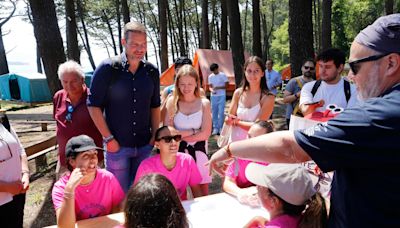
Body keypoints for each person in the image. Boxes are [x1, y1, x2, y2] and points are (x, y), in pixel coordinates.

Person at [208, 14, 400, 227]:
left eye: (355, 67)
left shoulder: (382, 113)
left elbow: (290, 148)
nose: (352, 77)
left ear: (391, 63)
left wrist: (229, 150)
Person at [88, 21, 160, 192]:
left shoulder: (151, 71)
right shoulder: (108, 69)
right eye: (134, 44)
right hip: (117, 146)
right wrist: (108, 139)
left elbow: (155, 105)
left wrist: (155, 134)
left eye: (143, 44)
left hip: (145, 145)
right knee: (118, 196)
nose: (140, 49)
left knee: (143, 195)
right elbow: (93, 106)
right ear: (123, 42)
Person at [52, 135, 124, 227]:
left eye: (95, 154)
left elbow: (119, 210)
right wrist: (69, 191)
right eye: (86, 155)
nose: (93, 159)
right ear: (72, 162)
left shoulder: (108, 178)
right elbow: (64, 226)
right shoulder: (61, 187)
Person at [164, 64, 212, 196]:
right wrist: (193, 131)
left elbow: (206, 133)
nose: (186, 88)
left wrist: (180, 135)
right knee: (180, 192)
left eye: (190, 84)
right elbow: (168, 132)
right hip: (178, 153)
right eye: (182, 84)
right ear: (177, 84)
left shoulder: (204, 104)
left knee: (202, 193)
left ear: (197, 83)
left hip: (200, 153)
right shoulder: (172, 102)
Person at [53, 60, 103, 179]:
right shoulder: (58, 97)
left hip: (90, 161)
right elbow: (58, 123)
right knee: (66, 194)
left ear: (82, 79)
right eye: (65, 82)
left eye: (74, 81)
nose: (69, 86)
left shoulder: (94, 98)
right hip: (66, 160)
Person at [244, 163, 327, 228]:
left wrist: (252, 222)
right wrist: (256, 219)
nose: (257, 187)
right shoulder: (304, 220)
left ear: (274, 201)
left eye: (261, 185)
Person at [134, 126, 202, 200]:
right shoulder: (146, 166)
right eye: (167, 139)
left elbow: (197, 191)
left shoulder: (188, 160)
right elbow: (139, 197)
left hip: (181, 207)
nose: (173, 142)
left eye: (177, 138)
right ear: (157, 145)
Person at [223, 120, 274, 206]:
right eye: (249, 136)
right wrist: (240, 193)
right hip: (241, 202)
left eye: (256, 139)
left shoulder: (273, 159)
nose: (250, 141)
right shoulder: (238, 154)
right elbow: (227, 183)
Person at [226, 56, 275, 142]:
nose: (252, 75)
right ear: (244, 72)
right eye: (249, 71)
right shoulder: (238, 93)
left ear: (262, 73)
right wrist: (230, 120)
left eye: (256, 71)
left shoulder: (268, 97)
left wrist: (237, 122)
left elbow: (258, 126)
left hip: (254, 144)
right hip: (235, 142)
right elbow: (228, 119)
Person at [299, 48, 358, 116]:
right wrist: (316, 104)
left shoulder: (352, 90)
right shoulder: (309, 87)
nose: (322, 71)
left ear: (340, 68)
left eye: (327, 67)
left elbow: (351, 117)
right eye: (321, 66)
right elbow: (305, 111)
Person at [0, 110, 29, 228]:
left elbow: (20, 150)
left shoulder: (3, 120)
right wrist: (6, 187)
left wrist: (25, 173)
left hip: (17, 195)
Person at [283, 59, 316, 127]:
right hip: (293, 117)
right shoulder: (293, 81)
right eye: (306, 67)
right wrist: (298, 94)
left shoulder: (316, 84)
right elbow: (285, 99)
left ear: (314, 70)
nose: (308, 70)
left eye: (311, 68)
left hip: (309, 118)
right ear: (302, 68)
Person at [208, 63, 229, 135]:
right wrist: (212, 90)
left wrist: (218, 88)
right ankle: (215, 128)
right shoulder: (210, 76)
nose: (214, 72)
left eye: (215, 70)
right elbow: (210, 87)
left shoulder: (222, 75)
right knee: (214, 112)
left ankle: (220, 128)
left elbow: (227, 86)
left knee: (221, 112)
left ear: (217, 68)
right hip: (213, 96)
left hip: (222, 95)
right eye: (213, 71)